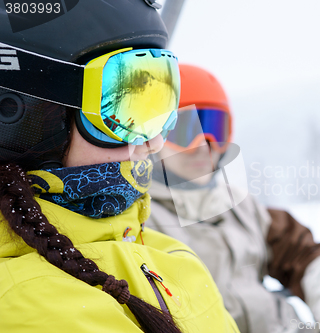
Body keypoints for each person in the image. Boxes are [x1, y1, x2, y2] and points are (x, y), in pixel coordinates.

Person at [0, 2, 239, 333]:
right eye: (126, 108)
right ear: (19, 114)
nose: (154, 142)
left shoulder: (170, 252)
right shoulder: (28, 304)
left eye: (162, 103)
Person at [147, 64, 320, 333]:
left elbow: (307, 257)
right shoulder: (139, 221)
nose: (203, 144)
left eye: (215, 128)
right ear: (153, 137)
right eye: (186, 129)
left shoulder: (242, 206)